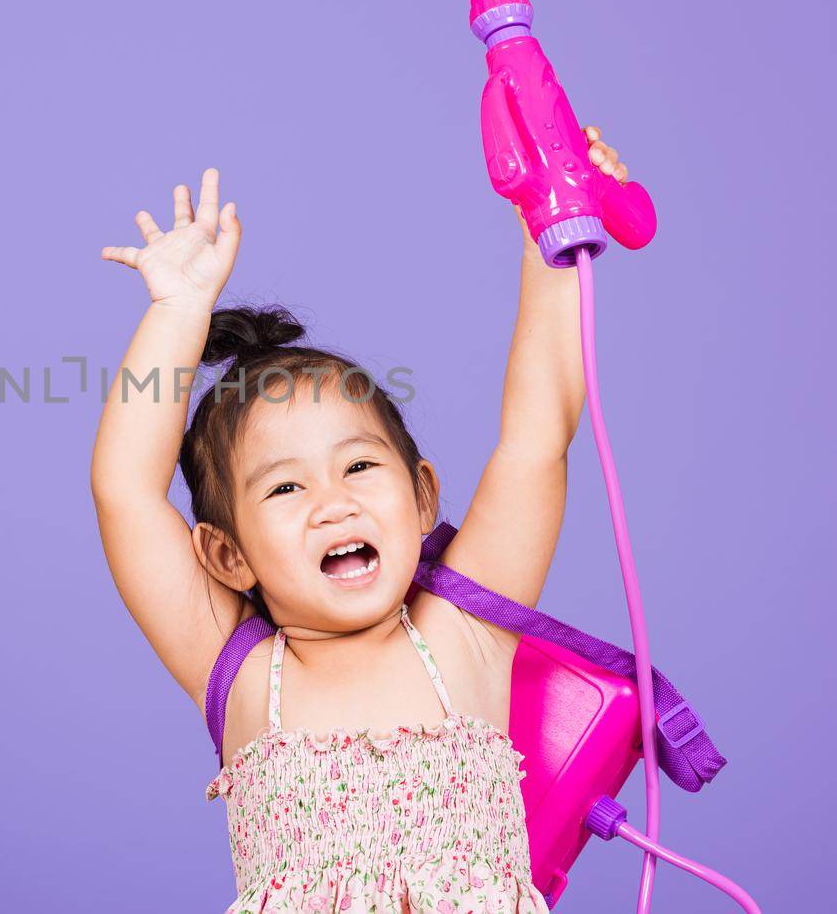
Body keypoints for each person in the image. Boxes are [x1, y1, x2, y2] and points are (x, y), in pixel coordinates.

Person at [92, 129, 630, 912]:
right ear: (226, 556)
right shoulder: (240, 673)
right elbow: (126, 492)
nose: (332, 502)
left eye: (358, 467)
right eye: (284, 491)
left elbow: (535, 438)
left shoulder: (463, 634)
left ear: (421, 498)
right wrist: (178, 312)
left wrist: (545, 234)